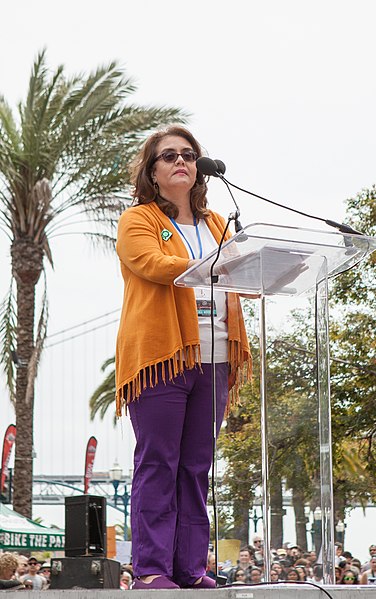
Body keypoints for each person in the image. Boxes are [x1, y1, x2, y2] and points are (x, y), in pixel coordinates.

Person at [115, 126, 251, 590]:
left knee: (195, 468)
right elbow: (152, 265)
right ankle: (151, 569)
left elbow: (243, 277)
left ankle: (190, 569)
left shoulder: (217, 224)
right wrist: (219, 266)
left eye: (189, 155)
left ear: (199, 168)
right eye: (169, 155)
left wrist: (254, 266)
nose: (181, 161)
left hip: (214, 359)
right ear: (152, 172)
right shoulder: (138, 220)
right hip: (161, 359)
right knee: (159, 463)